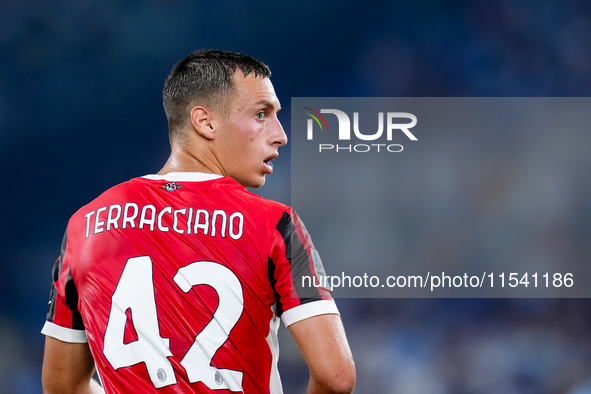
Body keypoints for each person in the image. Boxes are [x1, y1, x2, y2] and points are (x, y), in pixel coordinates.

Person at [41, 49, 355, 394]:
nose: (280, 134)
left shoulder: (85, 225)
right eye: (262, 114)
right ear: (205, 122)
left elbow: (63, 386)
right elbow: (335, 378)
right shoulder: (276, 225)